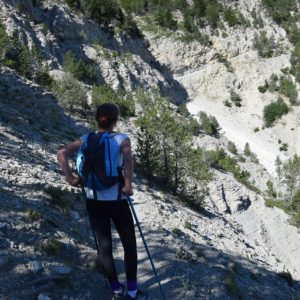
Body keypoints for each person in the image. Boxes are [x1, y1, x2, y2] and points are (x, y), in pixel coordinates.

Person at [57, 103, 143, 300]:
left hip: (93, 200)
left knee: (104, 246)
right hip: (117, 200)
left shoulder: (86, 138)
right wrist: (128, 185)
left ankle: (115, 289)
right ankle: (131, 292)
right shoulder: (122, 139)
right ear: (116, 120)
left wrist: (70, 178)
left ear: (97, 118)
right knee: (129, 245)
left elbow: (61, 153)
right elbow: (128, 160)